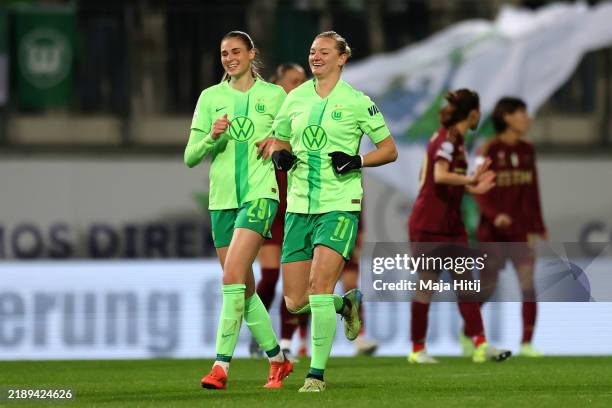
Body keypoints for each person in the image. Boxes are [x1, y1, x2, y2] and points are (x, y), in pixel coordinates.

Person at [263, 31, 398, 392]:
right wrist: (280, 154)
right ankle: (345, 305)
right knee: (294, 301)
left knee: (319, 287)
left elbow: (389, 149)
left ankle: (316, 375)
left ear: (342, 58)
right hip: (299, 207)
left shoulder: (357, 102)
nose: (316, 56)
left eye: (324, 51)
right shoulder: (295, 98)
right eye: (312, 51)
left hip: (339, 207)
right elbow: (278, 139)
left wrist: (358, 160)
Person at [184, 30, 292, 390]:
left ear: (251, 54)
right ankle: (278, 360)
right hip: (222, 202)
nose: (229, 58)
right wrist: (211, 137)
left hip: (261, 195)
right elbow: (190, 157)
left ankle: (220, 367)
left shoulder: (275, 96)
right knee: (243, 290)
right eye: (223, 53)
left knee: (231, 278)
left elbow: (293, 142)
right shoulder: (210, 98)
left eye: (235, 51)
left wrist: (279, 142)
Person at [407, 89, 511, 364]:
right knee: (427, 286)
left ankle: (480, 344)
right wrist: (470, 180)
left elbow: (428, 178)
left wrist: (471, 185)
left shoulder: (454, 140)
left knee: (466, 284)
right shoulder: (449, 140)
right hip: (430, 224)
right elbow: (439, 175)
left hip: (451, 224)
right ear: (474, 113)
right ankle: (417, 350)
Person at [472, 97, 547, 357]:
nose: (528, 118)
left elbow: (532, 189)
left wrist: (539, 224)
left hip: (520, 231)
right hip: (491, 233)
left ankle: (526, 342)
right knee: (488, 287)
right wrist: (494, 215)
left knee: (528, 283)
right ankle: (468, 331)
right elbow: (477, 190)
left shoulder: (528, 149)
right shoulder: (488, 150)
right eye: (522, 113)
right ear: (507, 117)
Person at [250, 63, 309, 361]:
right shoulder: (268, 117)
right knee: (271, 277)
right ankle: (259, 336)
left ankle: (285, 341)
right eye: (293, 81)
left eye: (302, 81)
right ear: (278, 83)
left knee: (296, 281)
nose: (299, 85)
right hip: (272, 208)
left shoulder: (305, 114)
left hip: (298, 207)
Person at [340, 212, 379, 355]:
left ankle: (360, 339)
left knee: (351, 291)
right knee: (315, 293)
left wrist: (357, 242)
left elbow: (358, 216)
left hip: (347, 240)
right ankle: (301, 341)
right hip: (323, 238)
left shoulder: (357, 189)